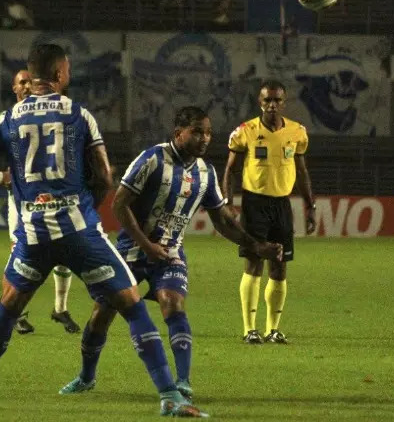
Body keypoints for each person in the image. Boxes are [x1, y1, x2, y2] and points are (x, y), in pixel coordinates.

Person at [0, 44, 203, 417]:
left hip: (33, 235)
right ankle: (170, 396)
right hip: (79, 231)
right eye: (67, 69)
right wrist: (85, 198)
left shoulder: (6, 119)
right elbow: (105, 176)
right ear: (59, 74)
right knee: (133, 305)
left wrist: (6, 177)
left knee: (8, 309)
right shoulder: (78, 114)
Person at [59, 107, 282, 401]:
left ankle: (183, 381)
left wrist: (256, 246)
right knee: (102, 313)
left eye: (208, 132)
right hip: (129, 251)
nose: (205, 138)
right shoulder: (151, 159)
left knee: (173, 304)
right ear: (179, 133)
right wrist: (146, 245)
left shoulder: (205, 172)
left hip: (170, 253)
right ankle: (86, 377)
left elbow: (222, 220)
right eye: (197, 132)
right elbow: (119, 206)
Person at [0, 69, 80, 334]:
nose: (28, 86)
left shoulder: (52, 114)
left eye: (31, 80)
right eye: (22, 82)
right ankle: (16, 312)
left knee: (63, 251)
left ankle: (60, 308)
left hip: (56, 194)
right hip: (21, 198)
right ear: (14, 88)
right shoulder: (5, 119)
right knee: (21, 252)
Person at [222, 80, 316, 345]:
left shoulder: (297, 132)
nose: (272, 105)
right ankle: (249, 329)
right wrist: (228, 202)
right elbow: (230, 170)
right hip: (254, 203)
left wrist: (310, 205)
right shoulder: (245, 131)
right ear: (259, 102)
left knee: (280, 266)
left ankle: (273, 329)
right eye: (267, 100)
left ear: (284, 103)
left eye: (277, 100)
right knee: (254, 263)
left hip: (282, 205)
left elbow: (303, 171)